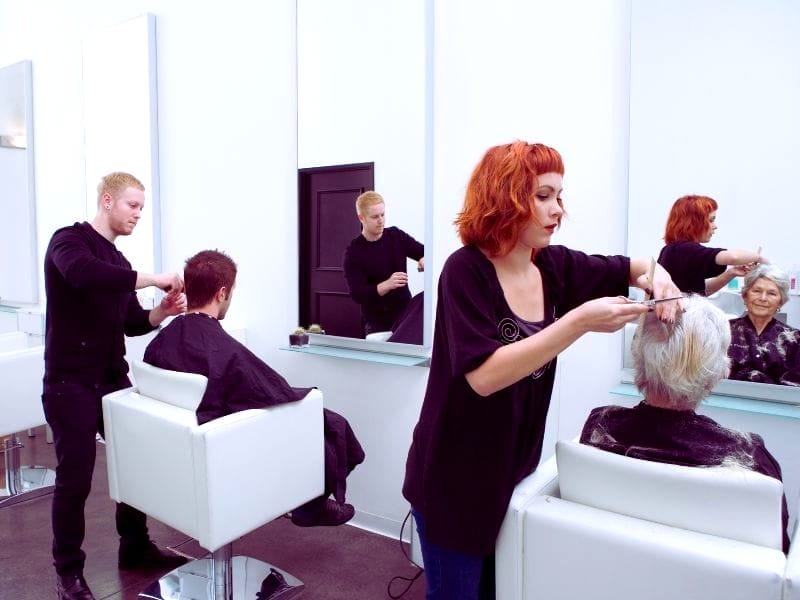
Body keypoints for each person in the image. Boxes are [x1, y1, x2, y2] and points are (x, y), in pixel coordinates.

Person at [402, 141, 681, 599]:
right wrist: (577, 323)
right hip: (454, 477)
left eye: (558, 196)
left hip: (513, 471)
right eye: (543, 196)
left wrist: (658, 275)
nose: (557, 210)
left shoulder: (551, 265)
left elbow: (632, 267)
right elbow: (485, 376)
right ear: (505, 198)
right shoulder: (464, 272)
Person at [43, 172, 189, 600]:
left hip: (111, 380)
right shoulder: (68, 242)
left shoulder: (121, 265)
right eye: (132, 206)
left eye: (142, 208)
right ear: (107, 201)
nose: (138, 215)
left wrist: (161, 311)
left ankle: (136, 546)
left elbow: (130, 321)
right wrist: (155, 278)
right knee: (75, 478)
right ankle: (67, 571)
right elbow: (84, 275)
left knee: (136, 462)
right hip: (69, 383)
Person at [143, 250, 365, 528]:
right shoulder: (224, 350)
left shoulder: (163, 339)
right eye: (232, 292)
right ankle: (309, 506)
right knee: (331, 423)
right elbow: (272, 391)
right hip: (225, 448)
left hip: (178, 450)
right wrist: (305, 398)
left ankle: (309, 504)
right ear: (222, 293)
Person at [581, 295, 789, 552]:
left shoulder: (601, 426)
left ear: (639, 357)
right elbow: (778, 553)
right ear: (717, 374)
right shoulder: (749, 457)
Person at [343, 191, 424, 335]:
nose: (381, 220)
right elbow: (357, 294)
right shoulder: (354, 252)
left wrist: (423, 259)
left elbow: (424, 251)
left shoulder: (396, 235)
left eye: (383, 214)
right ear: (361, 218)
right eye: (375, 217)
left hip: (406, 317)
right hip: (376, 324)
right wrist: (387, 285)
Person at [657, 194, 765, 295]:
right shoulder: (684, 249)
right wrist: (761, 259)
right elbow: (733, 257)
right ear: (694, 222)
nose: (715, 226)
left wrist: (731, 273)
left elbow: (700, 291)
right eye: (711, 220)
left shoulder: (672, 250)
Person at [728, 264, 800, 386]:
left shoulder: (795, 339)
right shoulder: (723, 331)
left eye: (771, 293)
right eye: (757, 291)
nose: (763, 298)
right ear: (745, 296)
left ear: (781, 302)